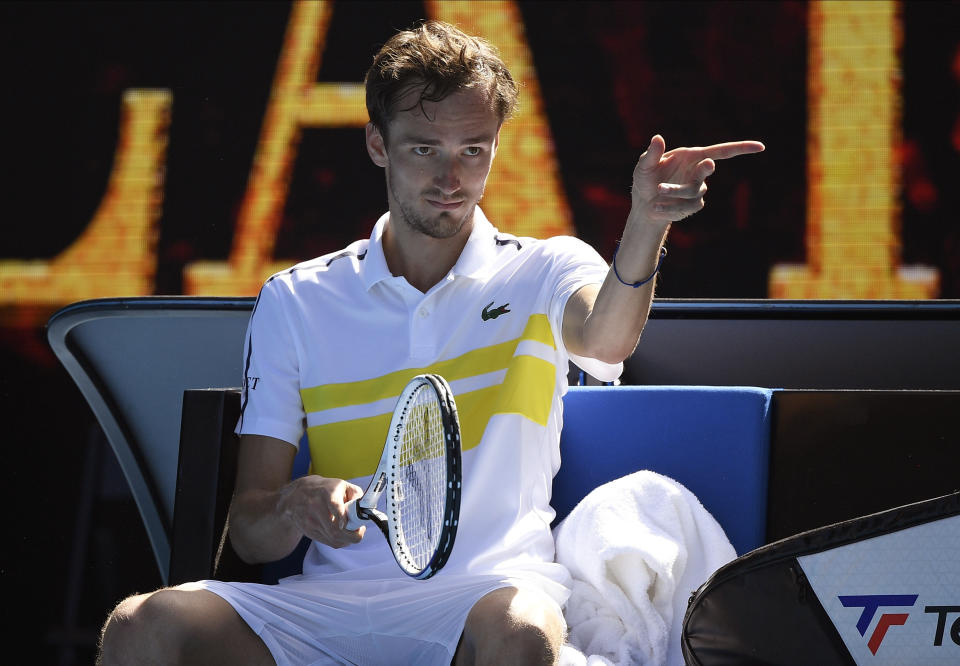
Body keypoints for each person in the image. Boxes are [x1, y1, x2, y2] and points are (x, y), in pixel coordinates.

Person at [98, 20, 763, 666]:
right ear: (378, 144)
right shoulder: (295, 299)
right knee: (142, 627)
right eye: (425, 148)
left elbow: (609, 339)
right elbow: (249, 527)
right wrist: (291, 508)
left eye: (473, 149)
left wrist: (646, 222)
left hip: (485, 599)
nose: (452, 176)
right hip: (325, 606)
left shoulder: (546, 267)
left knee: (522, 628)